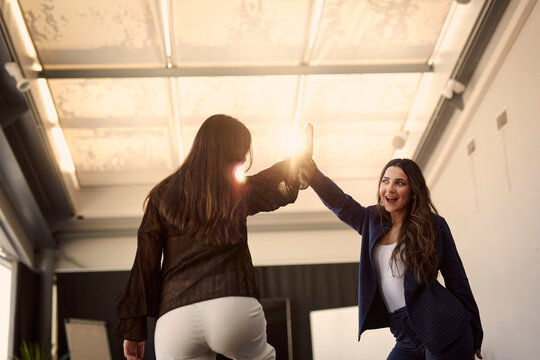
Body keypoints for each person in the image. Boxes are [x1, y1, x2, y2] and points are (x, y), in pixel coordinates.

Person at [114, 114, 311, 360]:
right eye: (241, 152)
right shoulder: (236, 190)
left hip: (176, 317)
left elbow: (146, 264)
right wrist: (300, 159)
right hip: (231, 305)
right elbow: (275, 183)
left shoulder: (162, 195)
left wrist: (134, 327)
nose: (242, 158)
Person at [306, 129, 483, 359]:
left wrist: (476, 334)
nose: (389, 188)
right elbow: (341, 204)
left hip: (441, 327)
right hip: (404, 334)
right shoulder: (372, 221)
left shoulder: (433, 225)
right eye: (385, 181)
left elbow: (457, 278)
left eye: (399, 183)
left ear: (413, 191)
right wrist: (311, 173)